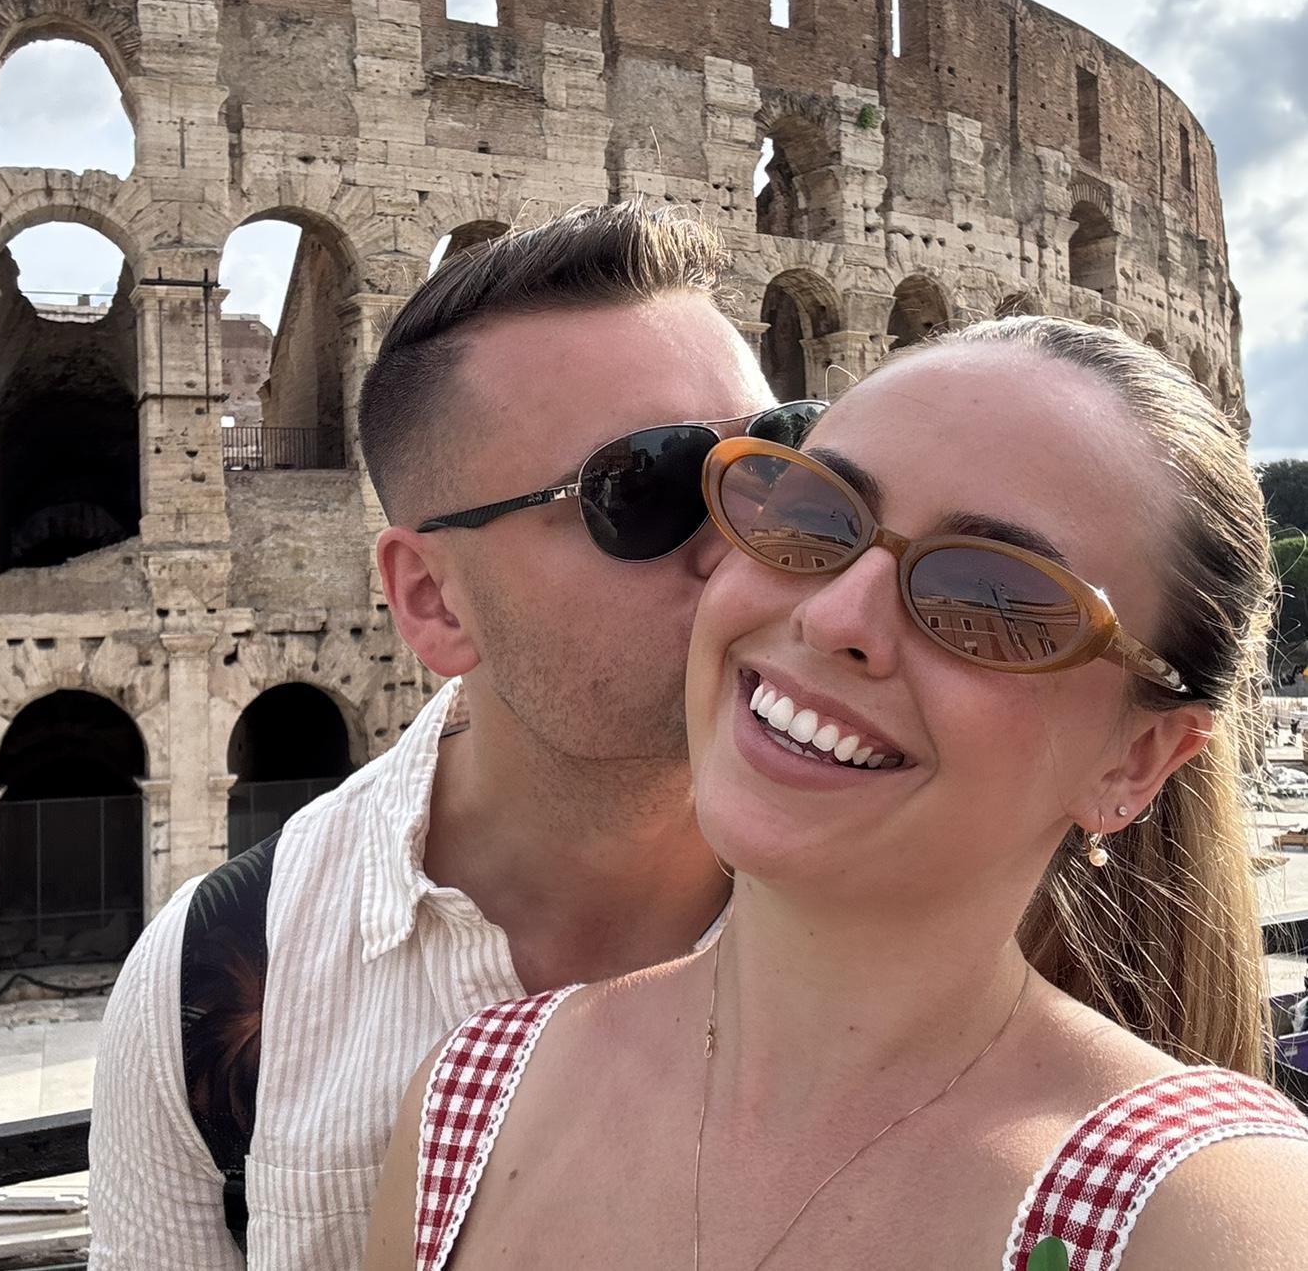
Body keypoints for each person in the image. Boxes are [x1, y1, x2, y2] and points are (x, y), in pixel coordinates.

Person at [366, 316, 1308, 1271]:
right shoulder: (468, 1103)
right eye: (813, 517)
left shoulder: (1208, 1221)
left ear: (1137, 759)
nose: (833, 616)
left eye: (991, 599)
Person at [88, 202, 814, 1267]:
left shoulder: (933, 905)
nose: (748, 550)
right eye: (644, 491)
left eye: (774, 465)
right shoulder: (216, 986)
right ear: (431, 598)